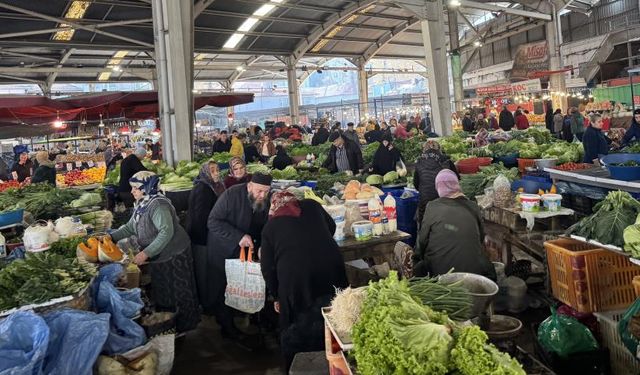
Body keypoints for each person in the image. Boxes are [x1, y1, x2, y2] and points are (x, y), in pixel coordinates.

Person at [260, 192, 348, 370]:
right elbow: (330, 227)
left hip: (296, 280)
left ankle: (300, 366)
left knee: (296, 326)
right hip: (331, 269)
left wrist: (276, 296)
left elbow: (268, 268)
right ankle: (339, 363)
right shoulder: (312, 206)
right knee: (337, 315)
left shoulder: (270, 227)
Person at [207, 173, 272, 338]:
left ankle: (248, 318)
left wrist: (263, 245)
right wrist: (239, 237)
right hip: (224, 249)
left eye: (266, 192)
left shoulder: (266, 199)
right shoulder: (231, 195)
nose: (262, 195)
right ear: (250, 186)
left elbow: (265, 225)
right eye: (259, 191)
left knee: (244, 285)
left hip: (248, 249)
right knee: (224, 287)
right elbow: (213, 221)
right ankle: (227, 327)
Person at [414, 169, 496, 279]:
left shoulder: (432, 207)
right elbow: (480, 238)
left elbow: (422, 240)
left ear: (439, 187)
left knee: (419, 268)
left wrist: (417, 258)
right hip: (473, 274)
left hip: (439, 273)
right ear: (456, 184)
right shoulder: (473, 206)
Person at [187, 162, 225, 315]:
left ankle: (210, 302)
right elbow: (200, 218)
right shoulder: (202, 189)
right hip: (202, 237)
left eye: (217, 170)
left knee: (208, 272)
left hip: (208, 237)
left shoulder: (213, 186)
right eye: (212, 171)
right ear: (205, 173)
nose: (216, 173)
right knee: (203, 272)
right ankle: (207, 305)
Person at [413, 140, 457, 224]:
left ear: (424, 150)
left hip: (425, 201)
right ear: (439, 149)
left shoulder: (419, 162)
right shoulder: (446, 160)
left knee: (424, 222)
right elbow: (456, 179)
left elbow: (416, 184)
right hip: (444, 199)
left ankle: (424, 235)